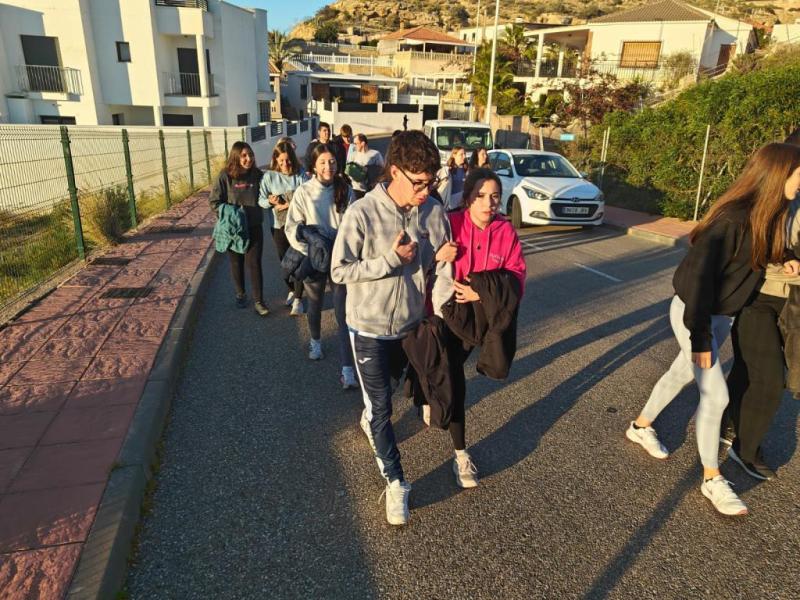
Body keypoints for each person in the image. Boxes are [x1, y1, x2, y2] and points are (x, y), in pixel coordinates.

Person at [626, 142, 800, 516]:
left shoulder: (767, 214)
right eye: (798, 174)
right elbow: (696, 285)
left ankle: (640, 426)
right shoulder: (731, 221)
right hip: (695, 313)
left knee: (680, 373)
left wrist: (786, 257)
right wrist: (701, 338)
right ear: (778, 175)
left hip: (720, 316)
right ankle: (711, 478)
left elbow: (763, 249)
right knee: (716, 395)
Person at [331, 130, 454, 526]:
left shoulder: (433, 211)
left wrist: (441, 260)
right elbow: (339, 270)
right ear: (395, 171)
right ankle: (397, 482)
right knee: (381, 407)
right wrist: (389, 260)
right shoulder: (362, 213)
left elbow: (438, 266)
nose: (426, 191)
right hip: (368, 328)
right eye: (419, 182)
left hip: (411, 327)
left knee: (390, 396)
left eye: (431, 182)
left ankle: (371, 416)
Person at [432, 167, 526, 488]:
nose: (488, 203)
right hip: (449, 313)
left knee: (447, 374)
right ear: (467, 198)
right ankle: (461, 453)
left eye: (495, 196)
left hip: (484, 316)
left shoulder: (505, 231)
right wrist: (437, 254)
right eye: (481, 196)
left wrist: (481, 290)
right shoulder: (450, 222)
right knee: (454, 379)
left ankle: (431, 395)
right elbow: (420, 259)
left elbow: (517, 276)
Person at [722, 139, 800, 480]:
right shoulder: (758, 203)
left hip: (790, 300)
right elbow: (754, 244)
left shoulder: (791, 198)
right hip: (758, 297)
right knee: (768, 380)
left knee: (747, 371)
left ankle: (728, 423)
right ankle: (745, 449)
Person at [285, 143, 357, 388]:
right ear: (313, 166)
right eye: (323, 162)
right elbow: (292, 226)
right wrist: (310, 250)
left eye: (332, 161)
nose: (329, 166)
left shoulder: (345, 189)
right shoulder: (304, 192)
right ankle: (315, 341)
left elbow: (354, 224)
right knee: (314, 303)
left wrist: (347, 250)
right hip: (315, 258)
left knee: (342, 312)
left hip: (340, 259)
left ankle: (347, 369)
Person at [208, 142, 268, 316]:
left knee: (254, 263)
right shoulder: (225, 176)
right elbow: (214, 201)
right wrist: (231, 215)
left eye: (251, 155)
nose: (249, 159)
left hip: (254, 226)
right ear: (236, 157)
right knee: (236, 262)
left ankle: (259, 301)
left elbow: (270, 189)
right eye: (244, 156)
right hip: (234, 230)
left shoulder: (257, 175)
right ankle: (240, 294)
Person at [258, 140, 308, 316]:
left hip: (299, 225)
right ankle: (292, 290)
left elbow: (308, 197)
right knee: (285, 264)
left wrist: (288, 205)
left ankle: (299, 299)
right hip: (278, 226)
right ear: (275, 160)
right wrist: (270, 202)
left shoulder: (301, 174)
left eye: (288, 160)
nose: (285, 164)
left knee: (299, 261)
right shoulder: (269, 177)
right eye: (281, 161)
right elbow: (260, 200)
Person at [346, 133, 385, 199]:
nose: (354, 146)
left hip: (371, 190)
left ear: (363, 143)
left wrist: (368, 169)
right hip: (356, 189)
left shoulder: (375, 154)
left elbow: (382, 170)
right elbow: (348, 170)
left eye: (356, 143)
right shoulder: (353, 155)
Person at [437, 146, 469, 212]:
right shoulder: (447, 170)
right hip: (451, 206)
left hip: (463, 205)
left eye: (464, 154)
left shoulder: (466, 169)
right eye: (461, 154)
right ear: (454, 155)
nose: (464, 156)